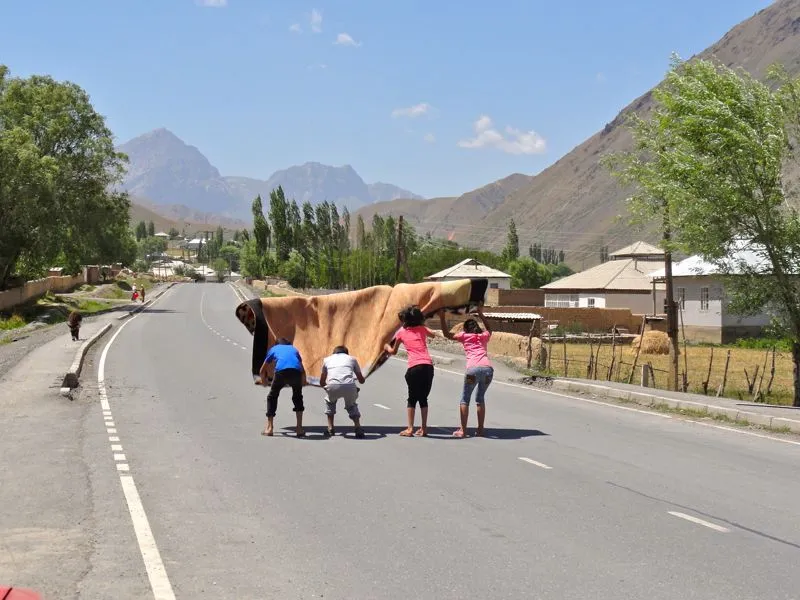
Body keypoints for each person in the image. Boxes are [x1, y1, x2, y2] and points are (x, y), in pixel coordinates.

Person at [439, 306, 493, 437]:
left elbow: (447, 334)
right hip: (487, 371)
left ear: (465, 329)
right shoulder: (483, 336)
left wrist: (442, 318)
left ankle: (463, 430)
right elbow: (490, 329)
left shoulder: (464, 336)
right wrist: (480, 314)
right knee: (480, 399)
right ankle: (480, 430)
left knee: (465, 399)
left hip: (472, 371)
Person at [384, 305, 435, 437]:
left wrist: (386, 347)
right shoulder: (422, 329)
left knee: (412, 399)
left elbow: (393, 352)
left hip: (414, 367)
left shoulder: (402, 333)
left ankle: (410, 429)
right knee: (423, 398)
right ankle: (424, 429)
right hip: (428, 366)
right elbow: (433, 335)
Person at [259, 337, 306, 437]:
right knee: (298, 397)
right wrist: (303, 382)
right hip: (296, 373)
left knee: (272, 397)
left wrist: (264, 382)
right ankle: (299, 428)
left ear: (277, 344)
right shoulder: (293, 349)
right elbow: (302, 369)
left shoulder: (274, 349)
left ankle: (270, 428)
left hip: (281, 372)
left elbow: (262, 370)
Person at [319, 345, 366, 438]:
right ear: (346, 353)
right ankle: (358, 427)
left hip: (332, 386)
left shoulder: (327, 360)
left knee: (330, 402)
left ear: (334, 353)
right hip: (349, 386)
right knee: (352, 405)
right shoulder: (352, 359)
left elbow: (322, 381)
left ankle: (330, 428)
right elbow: (361, 380)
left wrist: (326, 387)